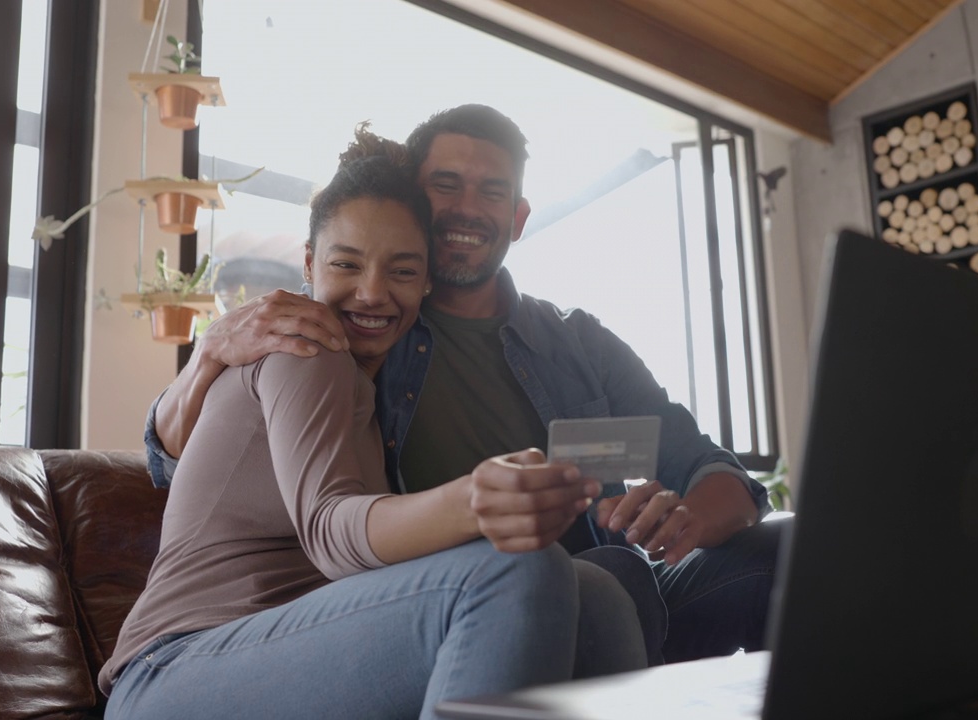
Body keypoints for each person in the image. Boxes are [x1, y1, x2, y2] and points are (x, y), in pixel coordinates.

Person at [147, 104, 786, 664]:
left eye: (492, 192)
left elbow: (718, 474)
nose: (467, 209)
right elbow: (177, 467)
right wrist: (206, 357)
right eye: (446, 185)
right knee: (594, 579)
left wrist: (685, 519)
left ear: (518, 216)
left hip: (622, 593)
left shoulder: (580, 344)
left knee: (780, 550)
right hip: (459, 606)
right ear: (414, 206)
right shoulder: (364, 328)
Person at [101, 130, 594, 719]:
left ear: (428, 280)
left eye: (403, 272)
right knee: (515, 571)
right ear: (309, 263)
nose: (372, 293)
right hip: (174, 672)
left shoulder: (382, 386)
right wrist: (473, 501)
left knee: (602, 596)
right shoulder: (303, 346)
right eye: (346, 264)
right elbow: (330, 531)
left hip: (297, 651)